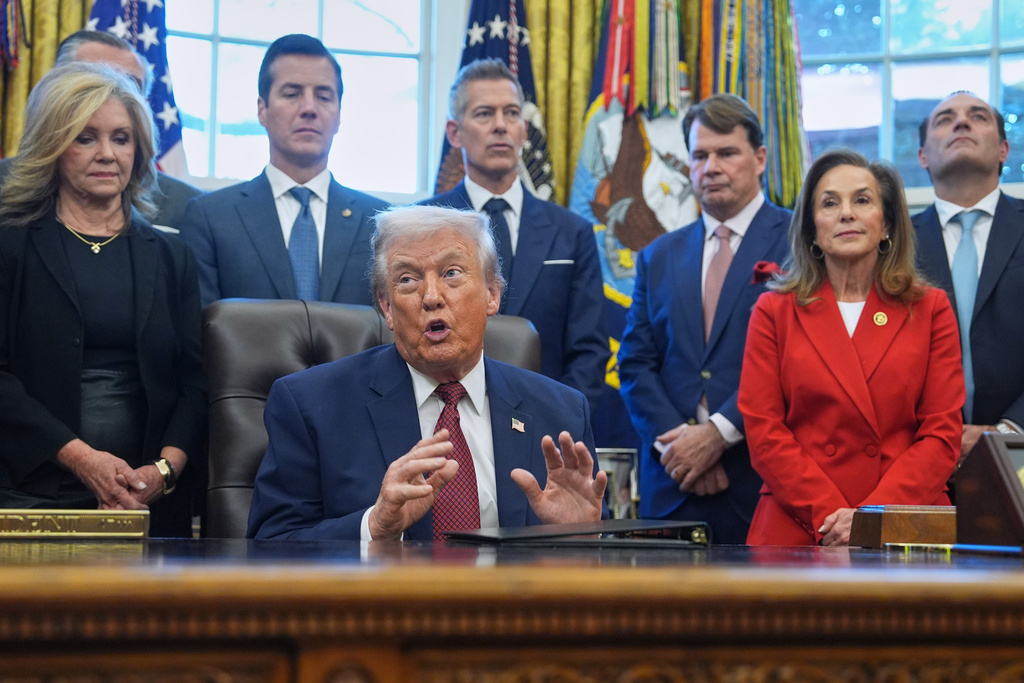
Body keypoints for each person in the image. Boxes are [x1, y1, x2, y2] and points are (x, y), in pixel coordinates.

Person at [246, 205, 607, 540]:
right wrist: (374, 527)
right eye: (407, 280)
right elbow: (269, 547)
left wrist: (581, 539)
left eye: (452, 273)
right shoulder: (311, 405)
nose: (431, 296)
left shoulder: (560, 411)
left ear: (492, 294)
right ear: (387, 308)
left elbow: (594, 567)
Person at [0, 63, 206, 537]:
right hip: (32, 494)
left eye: (121, 138)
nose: (108, 154)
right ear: (54, 146)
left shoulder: (172, 256)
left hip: (147, 500)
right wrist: (82, 459)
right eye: (85, 138)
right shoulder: (12, 246)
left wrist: (163, 471)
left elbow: (195, 384)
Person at [738, 149, 963, 546]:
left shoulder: (930, 309)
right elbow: (764, 432)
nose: (846, 213)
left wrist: (871, 519)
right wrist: (833, 517)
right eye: (829, 202)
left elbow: (941, 435)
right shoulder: (774, 311)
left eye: (861, 200)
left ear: (887, 223)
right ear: (811, 230)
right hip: (801, 526)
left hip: (904, 522)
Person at [617, 94, 791, 544]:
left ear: (759, 159)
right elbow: (635, 364)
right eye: (699, 155)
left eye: (726, 153)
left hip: (762, 486)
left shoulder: (799, 244)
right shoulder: (658, 255)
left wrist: (719, 434)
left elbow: (798, 365)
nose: (710, 167)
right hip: (673, 489)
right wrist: (679, 448)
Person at [423, 59, 608, 410]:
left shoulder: (572, 232)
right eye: (483, 114)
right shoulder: (424, 226)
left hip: (545, 425)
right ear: (454, 132)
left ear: (524, 130)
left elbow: (589, 351)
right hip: (443, 420)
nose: (500, 126)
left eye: (510, 114)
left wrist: (558, 420)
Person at [178, 34, 389, 308]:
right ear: (262, 110)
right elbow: (200, 333)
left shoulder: (380, 223)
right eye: (292, 94)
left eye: (324, 96)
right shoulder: (211, 218)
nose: (309, 109)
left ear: (338, 114)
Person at [0, 30, 202, 233]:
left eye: (130, 85)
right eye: (93, 82)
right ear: (55, 94)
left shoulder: (186, 205)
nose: (111, 92)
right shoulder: (4, 185)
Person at [914, 91, 1024, 462]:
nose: (961, 122)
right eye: (945, 119)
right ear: (923, 156)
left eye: (978, 116)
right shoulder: (890, 245)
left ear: (1003, 150)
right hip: (914, 459)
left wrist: (1008, 432)